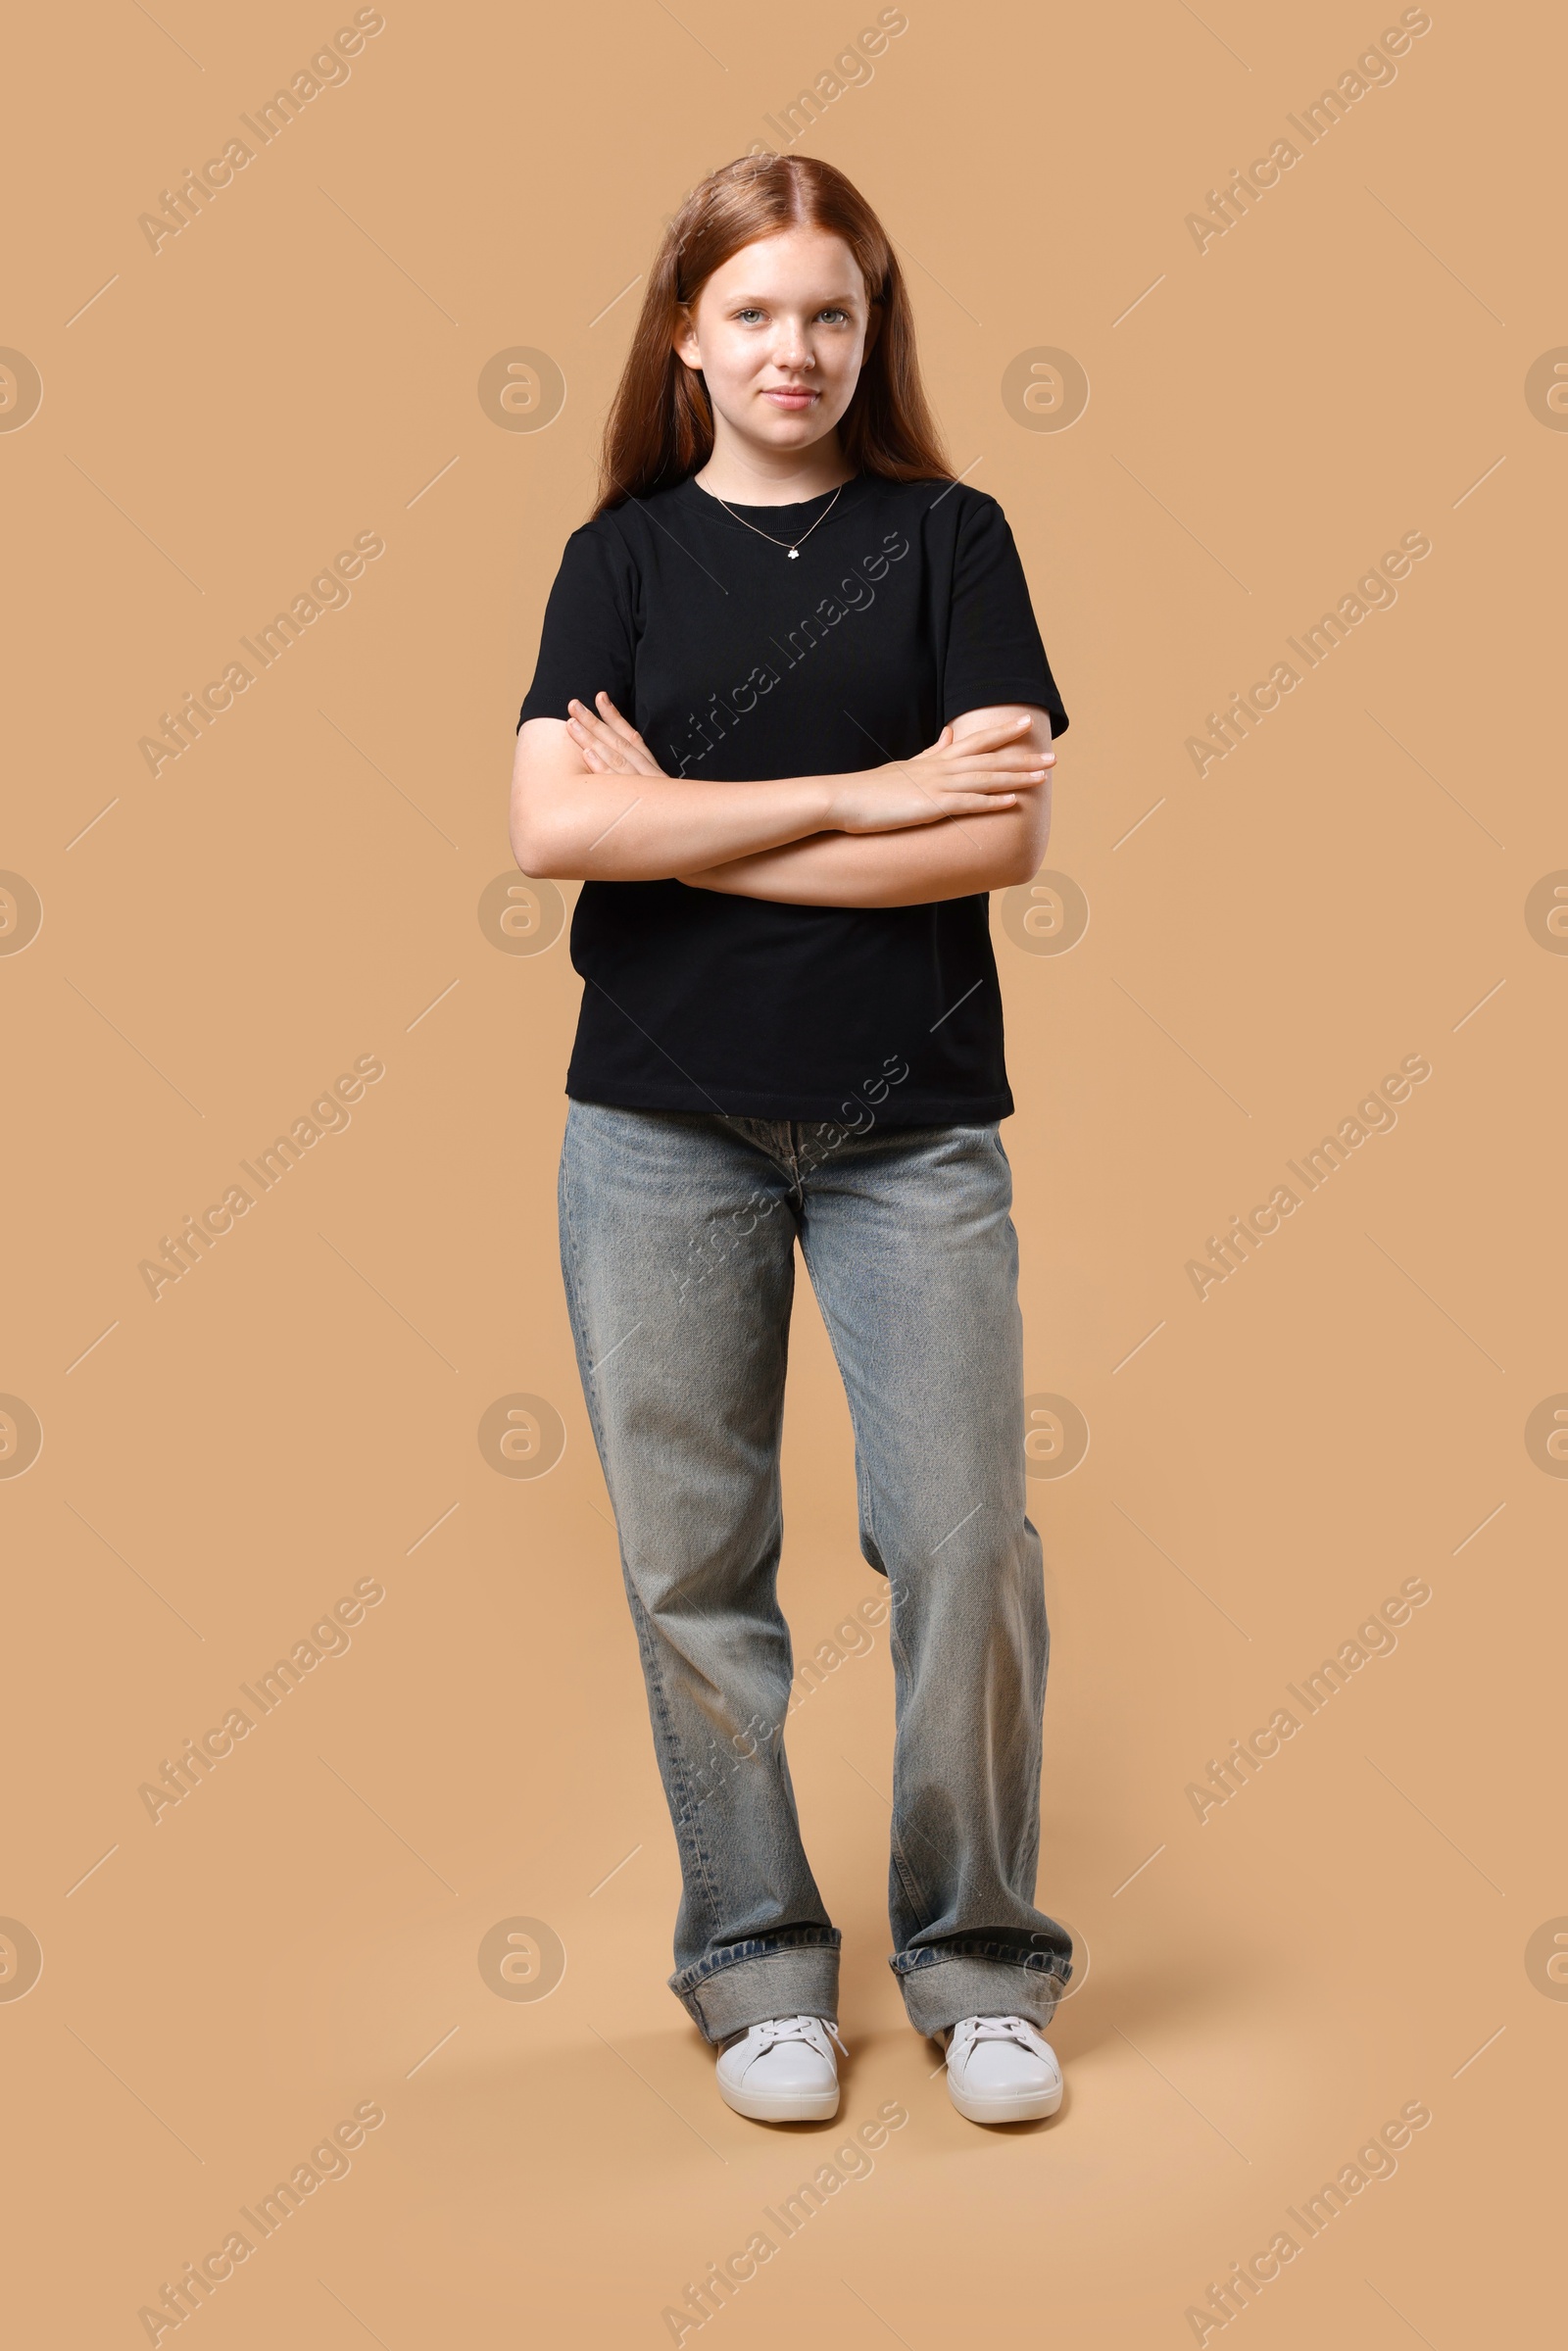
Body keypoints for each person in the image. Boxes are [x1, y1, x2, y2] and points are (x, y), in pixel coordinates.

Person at [510, 151, 1074, 2128]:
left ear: (869, 329)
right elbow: (559, 833)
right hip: (653, 1127)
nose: (794, 349)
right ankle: (752, 1962)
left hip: (909, 1129)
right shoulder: (620, 558)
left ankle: (978, 1961)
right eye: (752, 311)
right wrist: (872, 792)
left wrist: (713, 821)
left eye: (828, 311)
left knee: (960, 1543)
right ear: (687, 334)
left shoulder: (948, 539)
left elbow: (997, 837)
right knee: (692, 1565)